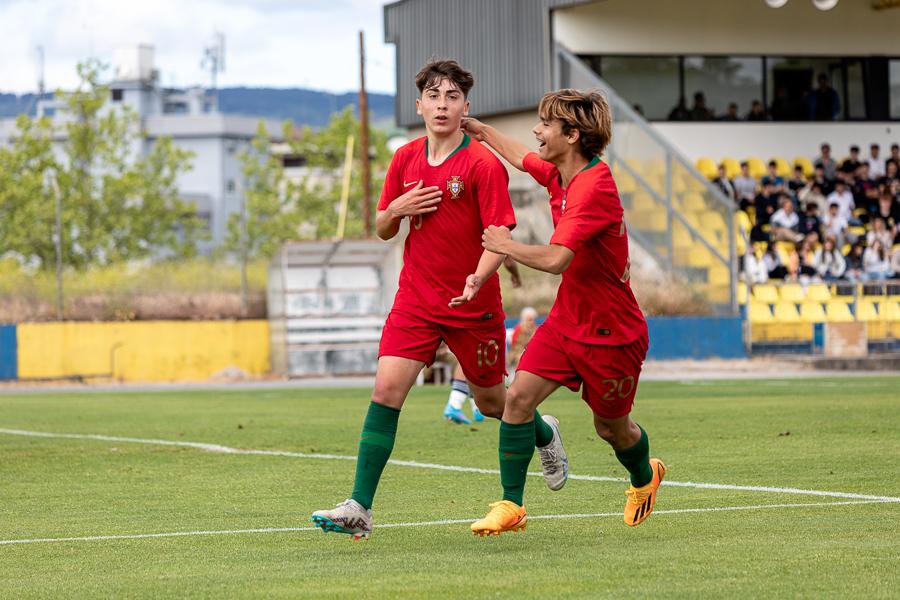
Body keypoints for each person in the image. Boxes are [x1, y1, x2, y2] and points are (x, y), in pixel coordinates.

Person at [311, 59, 562, 540]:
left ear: (466, 106)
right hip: (416, 301)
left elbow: (501, 234)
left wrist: (476, 278)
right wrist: (396, 211)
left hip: (474, 305)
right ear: (419, 104)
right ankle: (359, 506)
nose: (442, 105)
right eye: (434, 95)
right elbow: (383, 228)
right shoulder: (404, 159)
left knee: (494, 404)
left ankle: (543, 432)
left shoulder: (482, 165)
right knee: (386, 391)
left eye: (452, 97)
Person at [462, 88, 663, 536]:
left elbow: (556, 259)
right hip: (566, 322)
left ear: (572, 135)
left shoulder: (594, 186)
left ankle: (644, 476)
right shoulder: (559, 174)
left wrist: (504, 245)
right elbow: (520, 157)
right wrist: (480, 131)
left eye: (545, 124)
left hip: (612, 334)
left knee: (613, 430)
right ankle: (511, 505)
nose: (536, 131)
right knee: (516, 400)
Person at [443, 257, 522, 425]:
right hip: (473, 302)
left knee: (471, 361)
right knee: (471, 358)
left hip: (444, 297)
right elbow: (505, 255)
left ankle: (471, 406)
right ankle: (455, 404)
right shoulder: (489, 234)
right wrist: (516, 275)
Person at [508, 306, 538, 375]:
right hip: (517, 352)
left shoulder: (536, 329)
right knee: (521, 357)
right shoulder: (519, 328)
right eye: (529, 319)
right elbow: (513, 343)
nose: (531, 321)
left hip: (532, 351)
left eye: (532, 319)